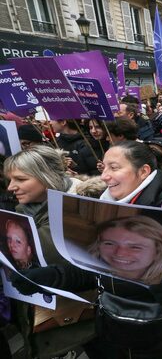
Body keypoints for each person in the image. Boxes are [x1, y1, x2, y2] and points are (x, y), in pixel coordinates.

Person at [10, 141, 162, 358]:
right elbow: (98, 268)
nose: (104, 176)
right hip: (117, 332)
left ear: (143, 171)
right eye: (103, 168)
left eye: (115, 167)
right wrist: (55, 276)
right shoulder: (102, 208)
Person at [3, 146, 92, 359]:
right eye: (9, 180)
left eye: (20, 179)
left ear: (47, 176)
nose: (10, 187)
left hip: (79, 330)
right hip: (43, 326)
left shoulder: (81, 211)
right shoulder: (24, 211)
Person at [87, 215, 162, 285]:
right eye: (109, 243)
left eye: (135, 247)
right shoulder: (88, 275)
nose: (119, 253)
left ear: (158, 252)